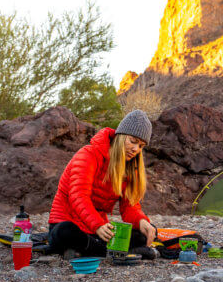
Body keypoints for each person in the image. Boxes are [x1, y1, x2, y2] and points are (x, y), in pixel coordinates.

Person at [47, 110, 157, 259]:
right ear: (121, 136)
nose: (136, 149)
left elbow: (129, 207)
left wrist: (142, 221)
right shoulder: (89, 154)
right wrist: (97, 225)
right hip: (70, 222)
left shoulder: (130, 168)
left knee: (144, 234)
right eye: (133, 141)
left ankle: (90, 249)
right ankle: (117, 251)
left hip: (97, 230)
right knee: (64, 232)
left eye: (141, 146)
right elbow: (78, 196)